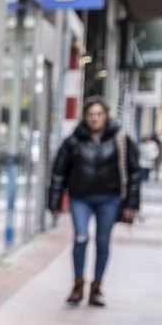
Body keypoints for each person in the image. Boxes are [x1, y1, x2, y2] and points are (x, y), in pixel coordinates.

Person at [49, 97, 141, 307]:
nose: (95, 118)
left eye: (99, 114)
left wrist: (132, 204)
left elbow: (134, 172)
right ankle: (78, 284)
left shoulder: (119, 139)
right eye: (91, 114)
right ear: (85, 117)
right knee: (81, 238)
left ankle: (97, 287)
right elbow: (58, 173)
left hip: (109, 198)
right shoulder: (74, 140)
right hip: (80, 198)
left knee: (102, 242)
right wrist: (54, 203)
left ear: (106, 115)